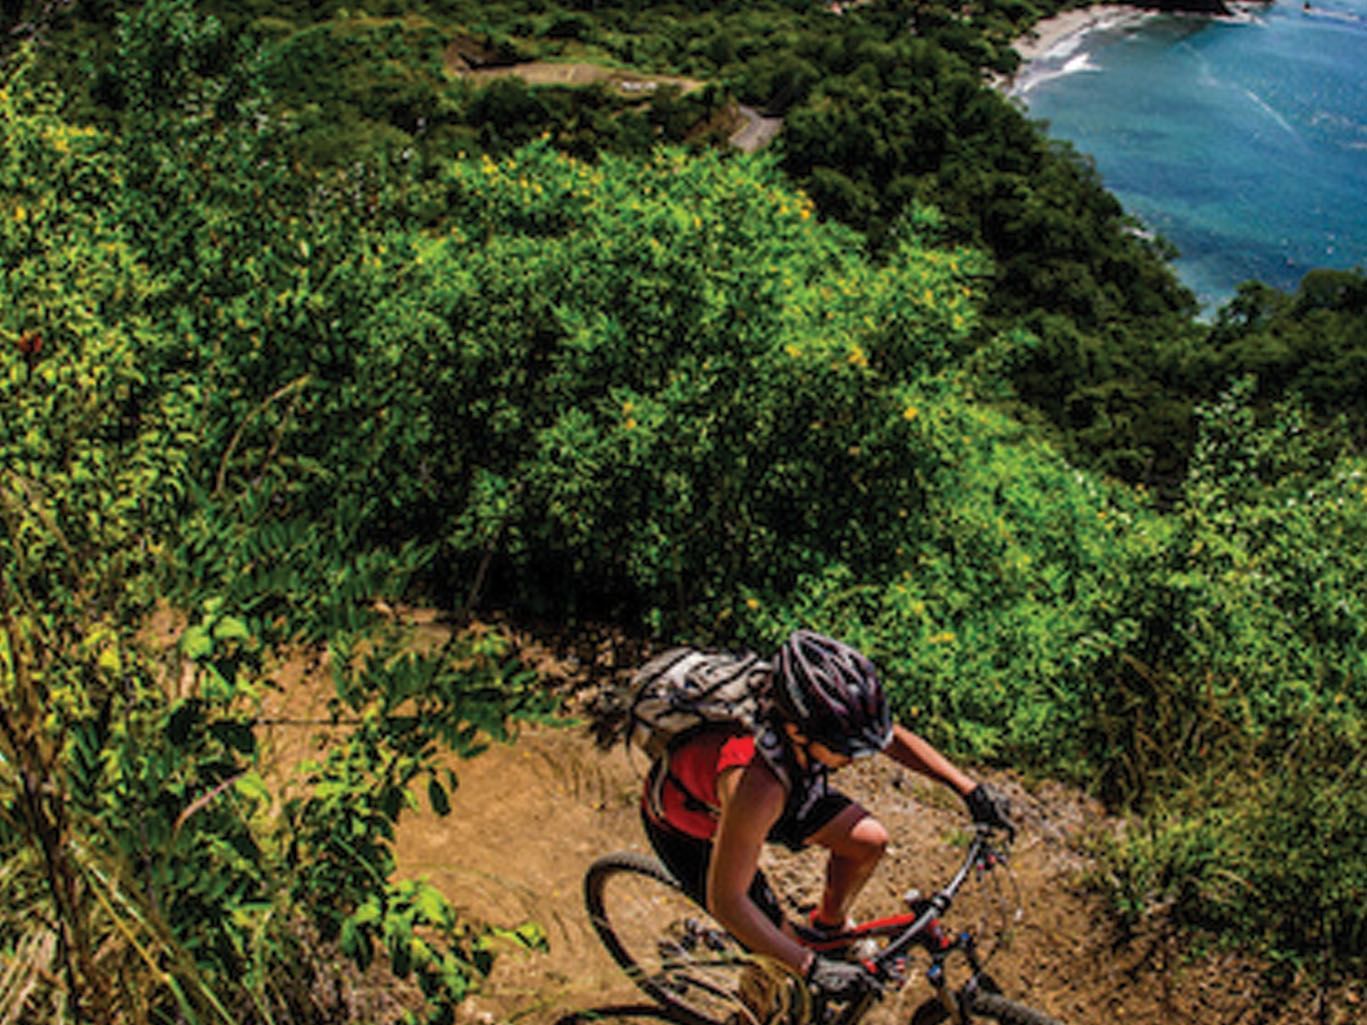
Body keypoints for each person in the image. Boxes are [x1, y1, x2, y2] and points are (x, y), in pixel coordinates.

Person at [639, 629, 1014, 1004]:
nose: (857, 758)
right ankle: (753, 1013)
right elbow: (728, 902)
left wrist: (969, 790)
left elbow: (890, 737)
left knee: (868, 842)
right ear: (796, 732)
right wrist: (809, 967)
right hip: (692, 829)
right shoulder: (755, 785)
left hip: (786, 789)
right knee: (778, 966)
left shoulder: (817, 720)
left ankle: (830, 929)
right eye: (846, 750)